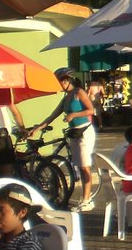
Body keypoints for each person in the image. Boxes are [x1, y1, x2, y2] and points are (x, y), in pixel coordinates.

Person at [30, 68, 97, 212]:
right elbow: (51, 116)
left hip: (84, 131)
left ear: (66, 81)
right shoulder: (65, 98)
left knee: (85, 166)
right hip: (74, 133)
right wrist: (36, 128)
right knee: (79, 165)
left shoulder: (79, 92)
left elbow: (91, 110)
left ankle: (87, 200)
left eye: (59, 82)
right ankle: (85, 198)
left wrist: (73, 115)